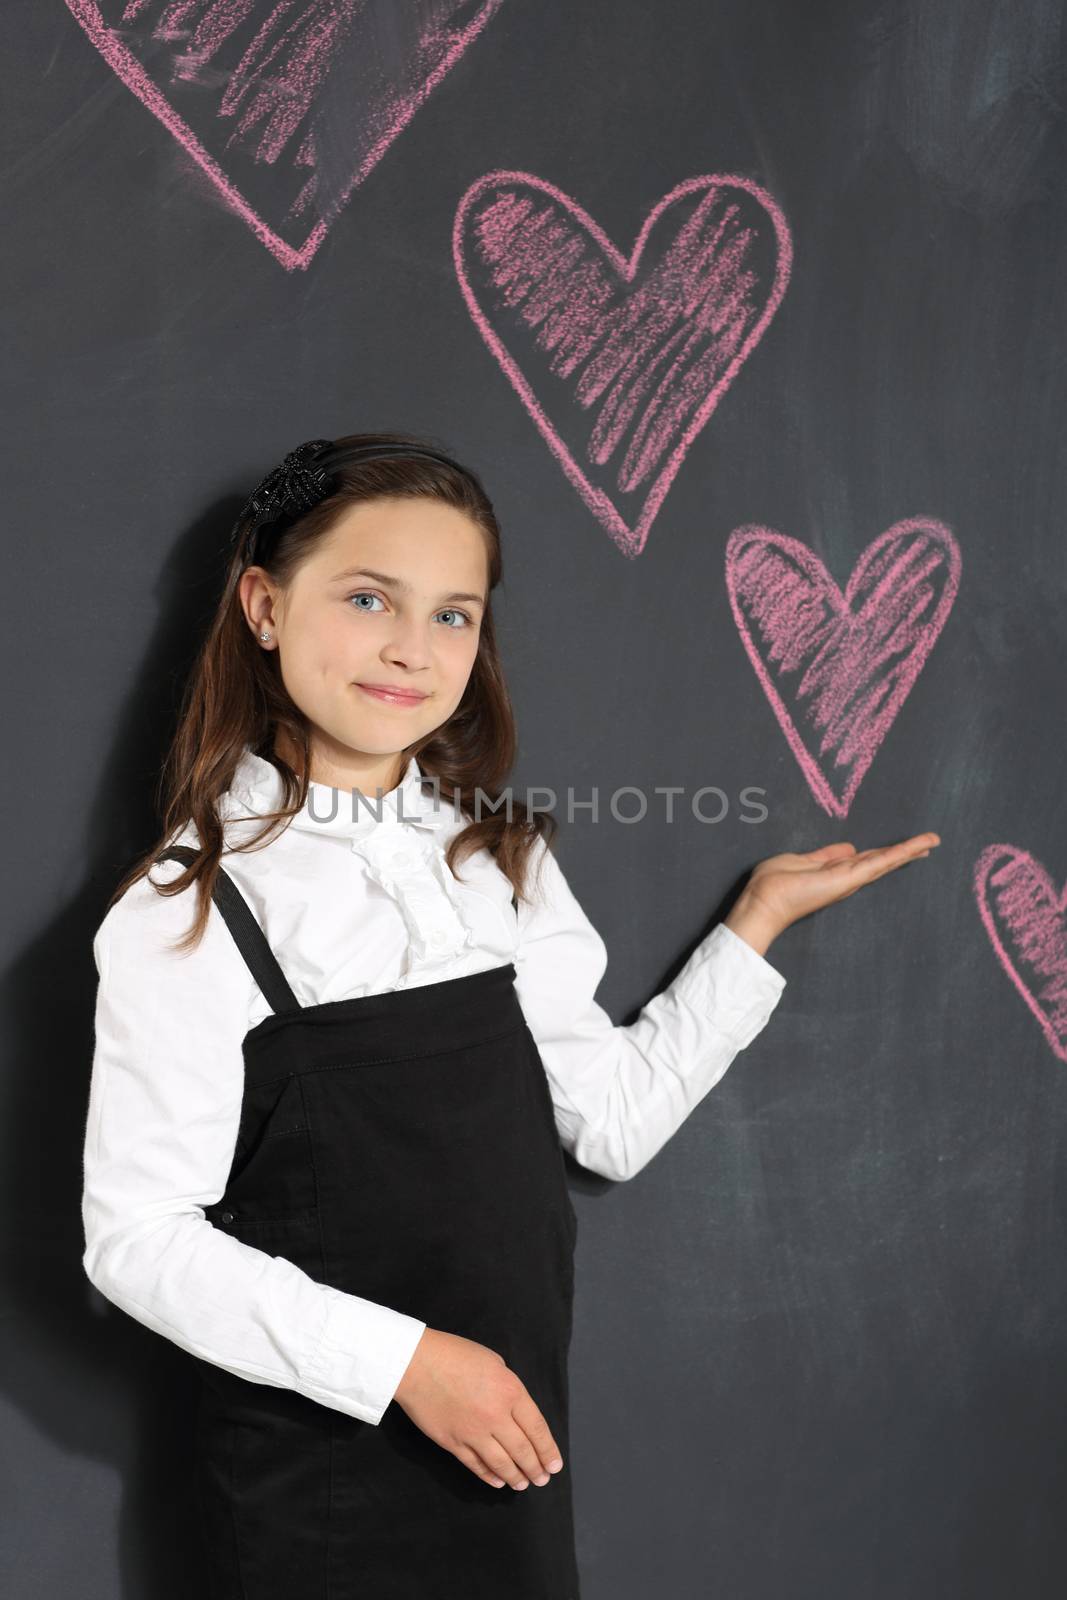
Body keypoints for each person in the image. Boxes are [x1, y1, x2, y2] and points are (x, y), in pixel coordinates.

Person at [80, 431, 939, 1598]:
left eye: (453, 614)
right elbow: (136, 1240)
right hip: (320, 1491)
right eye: (368, 596)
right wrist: (409, 1365)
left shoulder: (497, 862)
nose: (410, 649)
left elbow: (612, 1124)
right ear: (264, 605)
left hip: (509, 1466)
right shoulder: (192, 905)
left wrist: (754, 927)